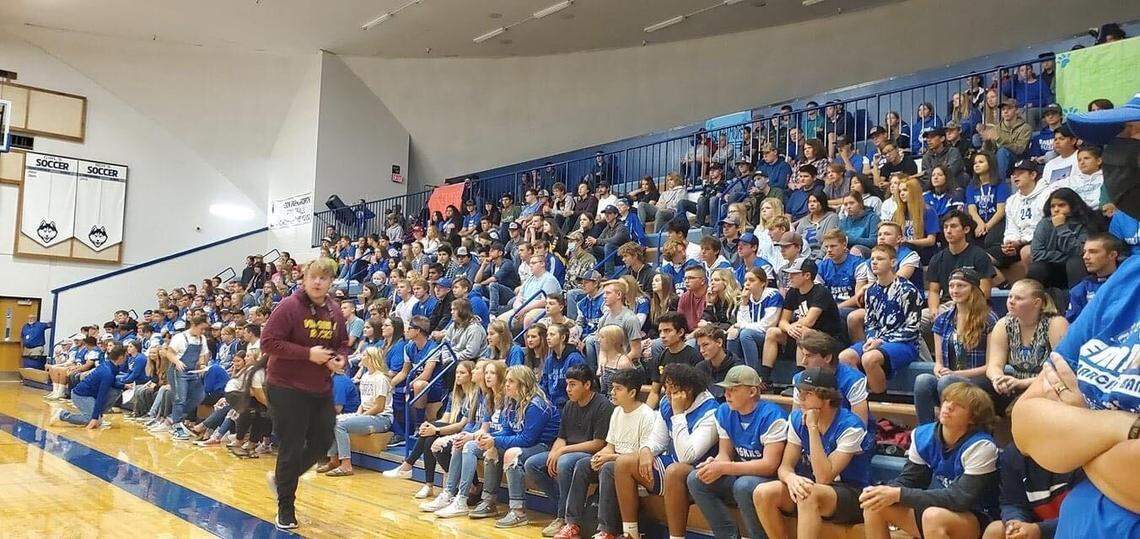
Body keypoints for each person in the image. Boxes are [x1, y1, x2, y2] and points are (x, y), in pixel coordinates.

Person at [1010, 97, 1140, 538]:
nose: (1119, 156)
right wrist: (1123, 427)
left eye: (1132, 134)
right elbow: (1028, 423)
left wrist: (1080, 436)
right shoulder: (1129, 277)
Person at [261, 258, 350, 530]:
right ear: (304, 278)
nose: (317, 282)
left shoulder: (334, 311)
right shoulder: (289, 306)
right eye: (313, 277)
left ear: (331, 282)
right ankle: (285, 508)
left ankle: (281, 479)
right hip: (286, 385)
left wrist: (340, 359)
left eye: (323, 278)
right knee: (292, 444)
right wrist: (307, 354)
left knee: (323, 440)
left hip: (320, 386)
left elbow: (343, 344)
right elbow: (268, 342)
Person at [860, 383, 1000, 539]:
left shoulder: (981, 446)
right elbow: (911, 480)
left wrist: (898, 494)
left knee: (933, 516)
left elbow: (959, 499)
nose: (948, 406)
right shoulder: (923, 435)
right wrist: (885, 491)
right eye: (947, 400)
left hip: (979, 519)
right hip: (940, 511)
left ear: (973, 418)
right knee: (874, 503)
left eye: (959, 405)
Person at [752, 367, 872, 539]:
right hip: (811, 487)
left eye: (807, 394)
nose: (800, 399)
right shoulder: (796, 419)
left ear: (826, 397)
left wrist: (813, 428)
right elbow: (785, 467)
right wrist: (791, 478)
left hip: (852, 493)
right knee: (763, 493)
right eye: (800, 392)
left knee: (809, 494)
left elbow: (824, 478)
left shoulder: (851, 426)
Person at [613, 363, 718, 539]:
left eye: (673, 389)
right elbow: (657, 440)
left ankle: (676, 537)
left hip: (701, 471)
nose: (668, 394)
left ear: (688, 390)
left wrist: (678, 414)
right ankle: (630, 533)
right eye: (666, 388)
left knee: (675, 471)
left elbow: (688, 456)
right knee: (624, 463)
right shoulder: (666, 402)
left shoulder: (710, 411)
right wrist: (646, 450)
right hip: (673, 464)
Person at [687, 365, 788, 539]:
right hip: (742, 472)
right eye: (726, 389)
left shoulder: (773, 415)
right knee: (696, 479)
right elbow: (724, 453)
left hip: (771, 480)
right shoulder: (724, 411)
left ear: (752, 392)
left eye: (733, 390)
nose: (727, 394)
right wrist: (716, 463)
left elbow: (770, 466)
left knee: (744, 486)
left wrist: (725, 467)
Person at [527, 365, 613, 538]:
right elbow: (561, 436)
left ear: (587, 385)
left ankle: (564, 519)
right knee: (533, 464)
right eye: (567, 384)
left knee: (564, 462)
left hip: (589, 454)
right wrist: (555, 451)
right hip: (568, 451)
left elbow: (598, 443)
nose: (568, 389)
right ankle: (567, 506)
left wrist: (563, 451)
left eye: (573, 384)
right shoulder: (568, 405)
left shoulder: (603, 405)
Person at [914, 269, 999, 425]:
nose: (954, 290)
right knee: (923, 380)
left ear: (973, 288)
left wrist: (956, 373)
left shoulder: (989, 319)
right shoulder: (942, 319)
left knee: (947, 382)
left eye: (961, 286)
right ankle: (925, 431)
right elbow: (938, 362)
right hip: (948, 378)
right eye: (952, 286)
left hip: (978, 380)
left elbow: (990, 366)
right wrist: (938, 368)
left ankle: (948, 429)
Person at [384, 359, 478, 499]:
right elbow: (445, 419)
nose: (458, 375)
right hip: (450, 429)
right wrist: (429, 425)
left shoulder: (474, 396)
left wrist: (436, 430)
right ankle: (427, 485)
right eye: (457, 372)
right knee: (428, 436)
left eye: (462, 373)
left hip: (464, 432)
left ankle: (410, 466)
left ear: (471, 375)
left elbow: (461, 425)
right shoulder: (454, 395)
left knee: (431, 434)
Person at [839, 244, 923, 394]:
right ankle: (859, 394)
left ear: (893, 262)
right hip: (877, 340)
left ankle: (879, 399)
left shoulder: (908, 290)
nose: (874, 262)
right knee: (845, 357)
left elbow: (912, 328)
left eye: (880, 259)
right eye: (872, 259)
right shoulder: (871, 290)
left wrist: (881, 341)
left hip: (905, 343)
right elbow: (870, 322)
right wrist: (871, 339)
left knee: (869, 358)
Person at [485, 366, 561, 528]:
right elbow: (507, 430)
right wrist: (490, 438)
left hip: (545, 446)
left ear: (524, 384)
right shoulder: (512, 402)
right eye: (506, 381)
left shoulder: (536, 405)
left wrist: (495, 441)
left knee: (512, 454)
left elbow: (527, 439)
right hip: (529, 444)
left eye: (511, 381)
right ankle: (488, 501)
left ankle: (518, 512)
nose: (506, 385)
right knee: (491, 448)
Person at [586, 368, 657, 539]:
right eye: (612, 388)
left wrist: (609, 457)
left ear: (632, 392)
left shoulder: (647, 415)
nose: (612, 392)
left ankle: (607, 529)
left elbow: (640, 457)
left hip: (635, 468)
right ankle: (571, 521)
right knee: (583, 464)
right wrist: (599, 455)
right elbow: (610, 445)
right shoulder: (617, 411)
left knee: (609, 467)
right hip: (617, 461)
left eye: (618, 388)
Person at [985, 279, 1067, 415]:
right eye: (1010, 296)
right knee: (978, 394)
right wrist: (998, 379)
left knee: (1024, 406)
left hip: (1048, 385)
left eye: (1019, 298)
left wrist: (1022, 383)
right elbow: (994, 365)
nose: (1011, 301)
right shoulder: (1003, 324)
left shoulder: (1056, 324)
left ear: (1037, 303)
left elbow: (1061, 372)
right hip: (1014, 383)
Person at [761, 258, 845, 390]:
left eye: (794, 274)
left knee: (803, 332)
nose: (790, 277)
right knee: (773, 332)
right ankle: (765, 380)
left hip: (828, 338)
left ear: (807, 276)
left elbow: (809, 321)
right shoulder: (793, 292)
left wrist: (793, 327)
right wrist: (788, 328)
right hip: (801, 333)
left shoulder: (821, 292)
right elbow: (783, 321)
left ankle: (800, 382)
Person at [318, 348, 392, 477]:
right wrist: (357, 415)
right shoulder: (365, 376)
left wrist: (361, 416)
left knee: (340, 424)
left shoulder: (381, 378)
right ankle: (333, 460)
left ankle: (346, 465)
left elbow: (379, 407)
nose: (360, 357)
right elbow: (364, 404)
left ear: (371, 358)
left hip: (382, 418)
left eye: (363, 355)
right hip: (368, 414)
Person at [1028, 187, 1103, 291]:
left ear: (1073, 206)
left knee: (1075, 262)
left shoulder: (1087, 222)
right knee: (1036, 268)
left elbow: (1080, 251)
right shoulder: (1044, 223)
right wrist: (1065, 258)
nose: (1056, 209)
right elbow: (1036, 253)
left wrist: (1061, 227)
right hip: (1052, 269)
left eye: (1061, 205)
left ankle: (1078, 301)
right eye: (1052, 206)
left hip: (1079, 268)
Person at [926, 210, 996, 314]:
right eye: (946, 227)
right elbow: (934, 291)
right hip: (947, 307)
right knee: (923, 318)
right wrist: (934, 311)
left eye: (953, 226)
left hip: (975, 307)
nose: (948, 231)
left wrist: (965, 309)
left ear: (966, 229)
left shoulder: (979, 255)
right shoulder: (937, 259)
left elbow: (985, 292)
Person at [1000, 159, 1056, 284]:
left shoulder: (1048, 194)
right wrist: (1010, 241)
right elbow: (1011, 227)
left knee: (1026, 252)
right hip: (1021, 241)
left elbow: (1047, 225)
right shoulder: (1011, 200)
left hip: (1045, 240)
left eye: (1020, 173)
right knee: (993, 255)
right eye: (1014, 173)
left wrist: (1021, 241)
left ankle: (1037, 287)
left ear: (1033, 175)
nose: (1015, 176)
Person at [51, 344, 127, 429]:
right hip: (81, 395)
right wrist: (94, 418)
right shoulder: (108, 373)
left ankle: (97, 417)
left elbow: (112, 383)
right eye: (125, 356)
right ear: (121, 357)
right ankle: (62, 415)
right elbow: (100, 396)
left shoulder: (110, 365)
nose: (126, 358)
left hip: (90, 394)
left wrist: (124, 386)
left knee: (116, 391)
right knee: (89, 419)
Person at [727, 267, 783, 371]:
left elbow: (767, 325)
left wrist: (741, 326)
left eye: (752, 280)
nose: (747, 284)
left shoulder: (773, 295)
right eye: (746, 280)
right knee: (733, 333)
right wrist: (744, 302)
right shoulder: (748, 297)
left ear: (763, 283)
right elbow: (743, 322)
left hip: (770, 337)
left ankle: (753, 374)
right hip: (754, 334)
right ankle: (733, 371)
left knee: (745, 334)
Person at [644, 311, 700, 409]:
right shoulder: (661, 357)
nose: (662, 335)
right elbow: (654, 392)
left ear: (680, 332)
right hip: (668, 404)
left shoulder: (694, 356)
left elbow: (698, 392)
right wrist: (646, 415)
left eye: (667, 330)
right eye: (660, 331)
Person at [1065, 233, 1123, 322]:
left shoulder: (1130, 280)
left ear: (1112, 255)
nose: (1085, 257)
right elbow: (1072, 327)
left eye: (1093, 252)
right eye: (1085, 252)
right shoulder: (1079, 290)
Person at [693, 325, 741, 401]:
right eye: (699, 346)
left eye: (705, 345)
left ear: (719, 342)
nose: (701, 350)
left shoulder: (737, 368)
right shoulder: (700, 368)